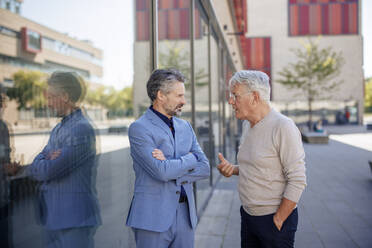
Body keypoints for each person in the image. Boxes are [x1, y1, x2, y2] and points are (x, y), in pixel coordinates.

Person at [7, 72, 101, 248]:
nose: (47, 103)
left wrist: (44, 161)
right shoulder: (59, 128)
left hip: (74, 219)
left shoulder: (80, 130)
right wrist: (44, 159)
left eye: (51, 97)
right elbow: (41, 160)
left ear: (65, 97)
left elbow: (47, 170)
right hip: (55, 217)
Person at [217, 70, 306, 248]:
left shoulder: (283, 126)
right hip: (248, 217)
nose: (230, 101)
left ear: (255, 97)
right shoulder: (246, 125)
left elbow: (297, 179)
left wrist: (279, 219)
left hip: (274, 222)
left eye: (235, 95)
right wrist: (233, 169)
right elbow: (259, 166)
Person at [126, 68, 210, 248]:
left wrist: (171, 167)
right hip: (152, 218)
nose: (184, 101)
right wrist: (189, 159)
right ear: (161, 96)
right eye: (179, 96)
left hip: (185, 216)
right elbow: (161, 172)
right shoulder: (139, 128)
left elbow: (205, 168)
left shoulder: (185, 127)